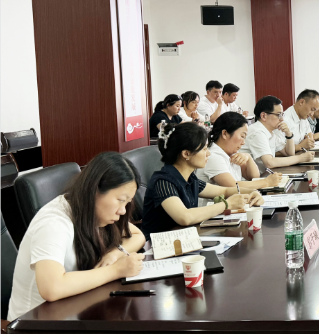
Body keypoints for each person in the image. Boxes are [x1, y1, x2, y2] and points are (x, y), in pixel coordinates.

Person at [8, 152, 146, 320]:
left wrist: (114, 254)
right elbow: (52, 288)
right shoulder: (54, 222)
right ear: (95, 190)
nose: (123, 211)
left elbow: (137, 235)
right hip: (35, 322)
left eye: (127, 202)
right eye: (121, 200)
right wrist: (116, 270)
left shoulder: (96, 212)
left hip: (76, 310)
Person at [141, 122, 264, 240]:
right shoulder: (163, 182)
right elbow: (185, 217)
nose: (208, 153)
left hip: (185, 239)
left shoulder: (189, 178)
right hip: (159, 246)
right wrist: (226, 205)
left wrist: (252, 192)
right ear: (186, 154)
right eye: (204, 149)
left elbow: (224, 191)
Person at [195, 112, 281, 202]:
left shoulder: (230, 152)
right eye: (242, 136)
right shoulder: (213, 156)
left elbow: (253, 177)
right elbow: (233, 186)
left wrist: (248, 157)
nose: (243, 142)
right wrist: (266, 182)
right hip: (214, 209)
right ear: (224, 134)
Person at [241, 95, 315, 170]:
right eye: (279, 115)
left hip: (266, 174)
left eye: (282, 115)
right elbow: (269, 162)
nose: (282, 119)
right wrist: (300, 158)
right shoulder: (257, 132)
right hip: (253, 177)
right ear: (263, 116)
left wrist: (289, 134)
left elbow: (289, 153)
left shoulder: (270, 133)